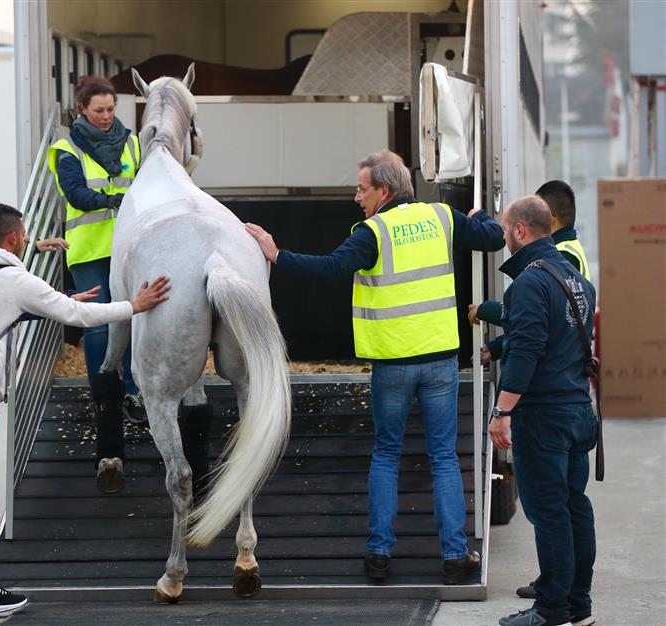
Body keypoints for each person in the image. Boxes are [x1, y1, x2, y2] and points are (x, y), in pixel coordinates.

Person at [245, 150, 505, 584]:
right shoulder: (442, 217)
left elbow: (330, 268)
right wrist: (484, 218)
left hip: (393, 365)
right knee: (443, 457)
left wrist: (276, 254)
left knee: (386, 454)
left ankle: (380, 555)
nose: (356, 197)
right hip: (441, 360)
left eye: (362, 189)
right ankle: (455, 557)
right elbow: (494, 238)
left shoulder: (374, 232)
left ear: (384, 191)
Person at [0, 203, 170, 625]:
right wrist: (134, 306)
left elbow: (14, 309)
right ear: (14, 238)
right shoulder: (12, 277)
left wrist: (62, 299)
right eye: (25, 234)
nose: (27, 239)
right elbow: (80, 317)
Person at [488, 196, 597, 626]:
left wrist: (502, 411)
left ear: (520, 230)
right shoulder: (576, 279)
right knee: (573, 507)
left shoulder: (530, 284)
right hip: (576, 410)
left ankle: (552, 610)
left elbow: (526, 351)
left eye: (503, 229)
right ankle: (578, 607)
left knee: (549, 512)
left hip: (544, 416)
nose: (502, 237)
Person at [47, 75, 148, 434]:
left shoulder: (132, 143)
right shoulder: (66, 148)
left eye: (110, 109)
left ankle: (135, 393)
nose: (106, 116)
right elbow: (74, 194)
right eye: (98, 110)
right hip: (89, 249)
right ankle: (103, 394)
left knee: (133, 318)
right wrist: (112, 200)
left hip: (128, 246)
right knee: (98, 324)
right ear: (82, 110)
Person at [469, 181, 590, 372]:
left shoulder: (561, 256)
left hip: (555, 373)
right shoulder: (567, 249)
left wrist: (483, 309)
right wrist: (497, 348)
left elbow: (530, 312)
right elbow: (542, 325)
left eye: (538, 211)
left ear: (550, 217)